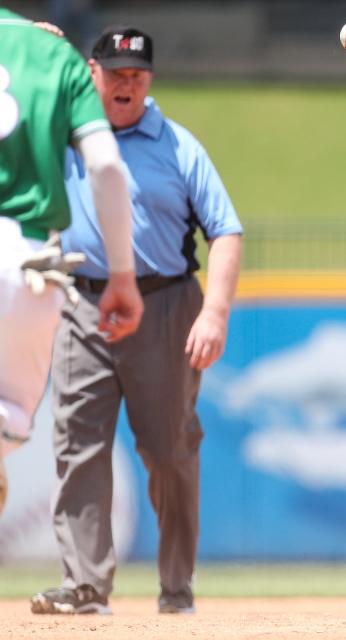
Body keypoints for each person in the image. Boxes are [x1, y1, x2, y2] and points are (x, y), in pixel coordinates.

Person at [29, 25, 243, 616]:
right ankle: (85, 587)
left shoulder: (178, 145)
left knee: (170, 449)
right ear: (91, 74)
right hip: (80, 302)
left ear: (149, 80)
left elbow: (224, 230)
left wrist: (216, 313)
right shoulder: (62, 134)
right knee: (78, 442)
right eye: (115, 72)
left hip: (166, 306)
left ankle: (177, 590)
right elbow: (16, 101)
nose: (127, 83)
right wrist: (33, 44)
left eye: (138, 74)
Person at [0, 10, 142, 519]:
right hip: (26, 260)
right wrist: (122, 276)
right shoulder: (52, 53)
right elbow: (105, 165)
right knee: (11, 421)